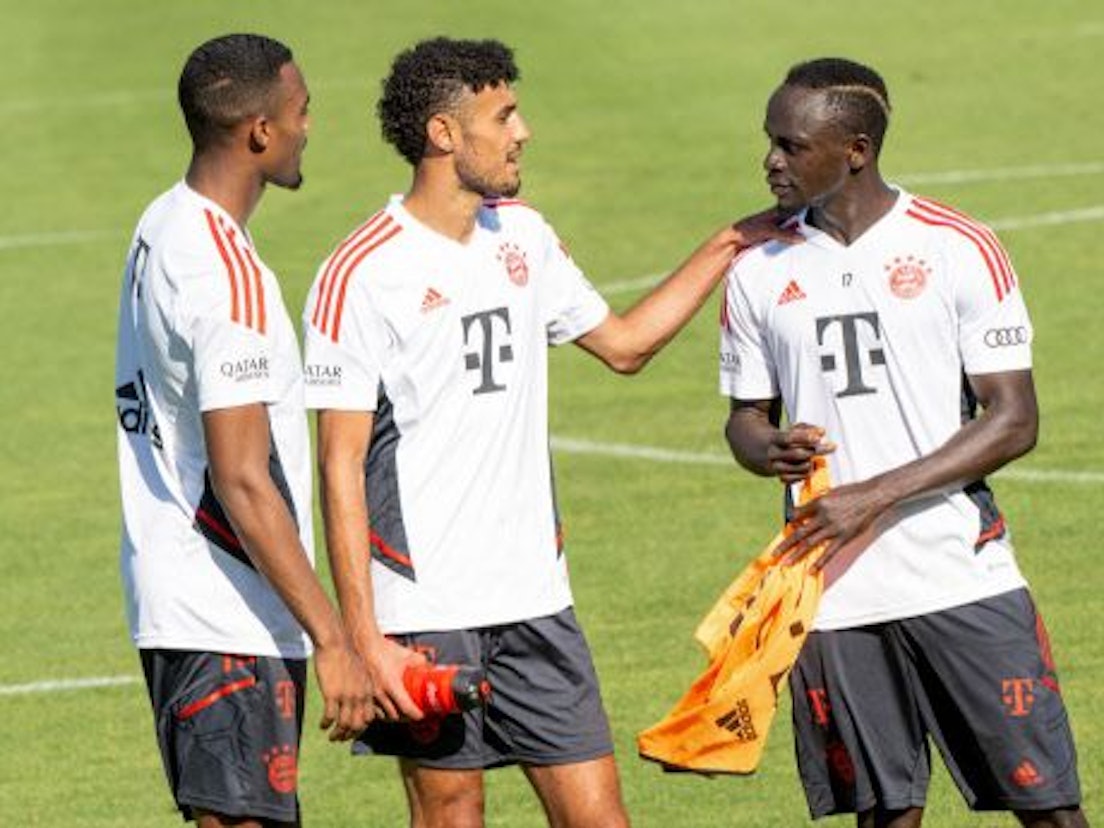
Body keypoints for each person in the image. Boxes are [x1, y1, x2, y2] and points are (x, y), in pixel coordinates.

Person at [302, 36, 794, 828]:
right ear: (443, 134)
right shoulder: (361, 271)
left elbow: (625, 345)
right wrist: (363, 637)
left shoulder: (522, 235)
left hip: (536, 596)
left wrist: (732, 242)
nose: (522, 131)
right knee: (452, 815)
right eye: (503, 116)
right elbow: (339, 464)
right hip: (426, 609)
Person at [719, 57, 1087, 827]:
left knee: (1048, 808)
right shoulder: (755, 269)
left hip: (959, 575)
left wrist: (874, 495)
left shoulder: (958, 247)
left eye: (791, 145)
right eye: (770, 141)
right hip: (830, 597)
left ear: (855, 149)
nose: (771, 161)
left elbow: (1014, 419)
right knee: (885, 818)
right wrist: (765, 446)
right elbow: (744, 418)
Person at [114, 33, 371, 827]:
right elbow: (242, 476)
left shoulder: (162, 222)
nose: (307, 127)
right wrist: (331, 637)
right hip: (227, 614)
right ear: (259, 130)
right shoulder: (228, 277)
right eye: (301, 112)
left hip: (181, 598)